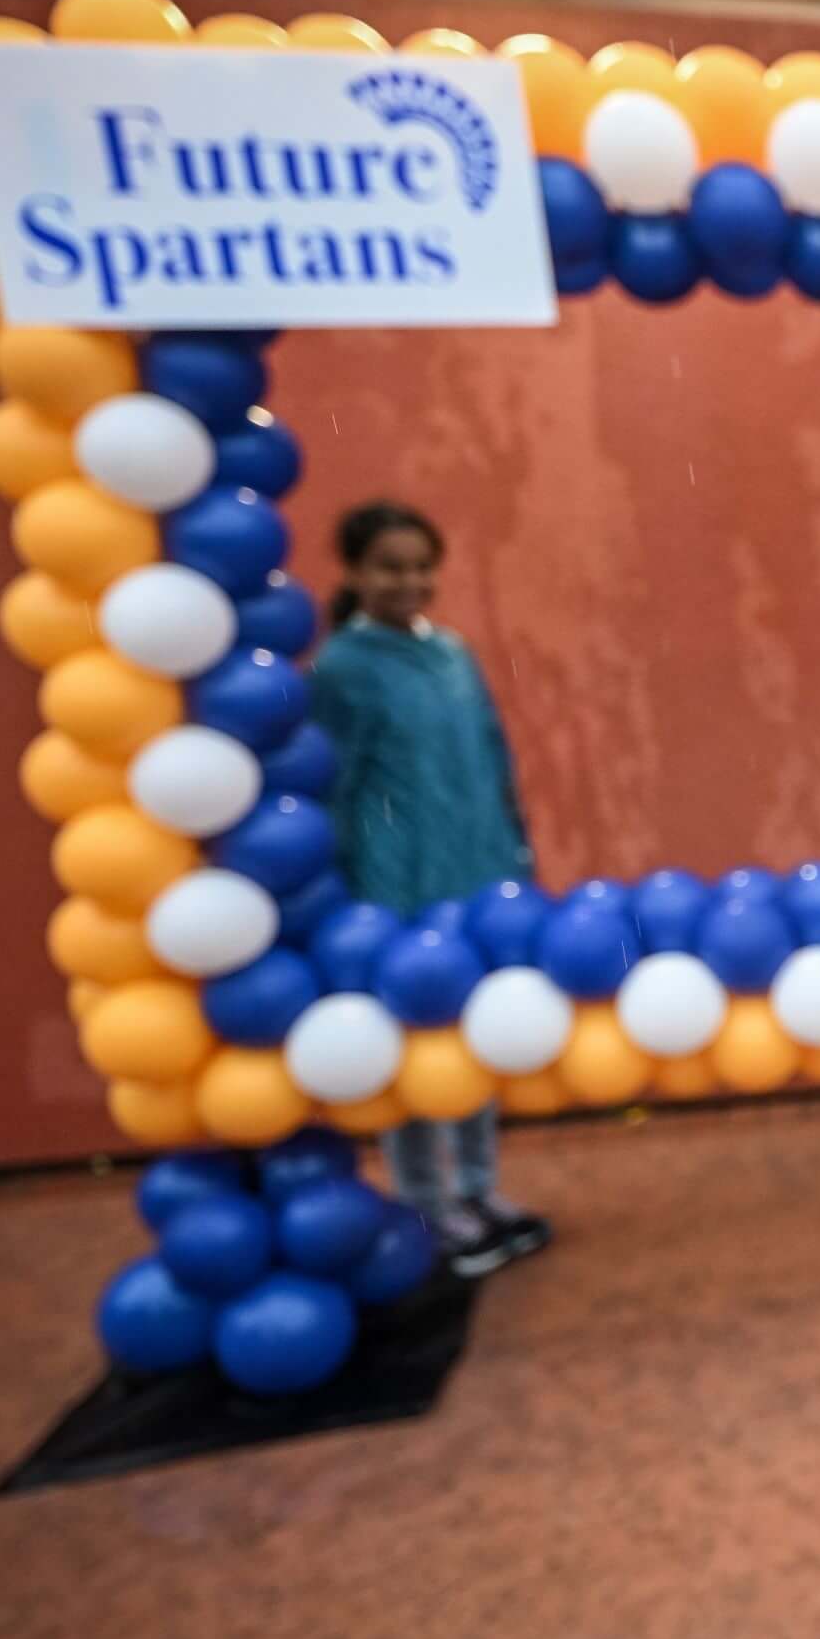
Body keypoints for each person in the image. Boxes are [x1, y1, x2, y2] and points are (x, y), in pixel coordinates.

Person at [309, 500, 551, 1278]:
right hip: (395, 881)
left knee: (477, 1036)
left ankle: (479, 1189)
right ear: (352, 572)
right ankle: (424, 1200)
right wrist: (341, 886)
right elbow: (334, 782)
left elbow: (492, 757)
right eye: (388, 565)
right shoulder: (343, 668)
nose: (408, 580)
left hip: (476, 871)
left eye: (420, 565)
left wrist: (515, 856)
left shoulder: (453, 653)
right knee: (414, 1043)